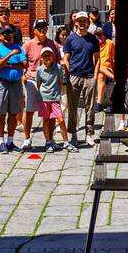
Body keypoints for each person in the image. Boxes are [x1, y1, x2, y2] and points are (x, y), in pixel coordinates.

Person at [62, 12, 101, 146]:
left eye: (84, 20)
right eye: (80, 21)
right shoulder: (70, 39)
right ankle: (73, 134)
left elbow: (97, 59)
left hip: (89, 76)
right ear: (76, 22)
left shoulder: (93, 39)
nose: (82, 23)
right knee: (72, 108)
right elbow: (66, 58)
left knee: (90, 108)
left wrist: (95, 77)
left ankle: (89, 134)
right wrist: (68, 73)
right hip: (74, 76)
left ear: (87, 22)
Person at [21, 19, 60, 149]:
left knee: (50, 113)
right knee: (29, 110)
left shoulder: (53, 44)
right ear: (34, 30)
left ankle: (50, 139)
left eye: (44, 27)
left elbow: (58, 62)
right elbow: (22, 64)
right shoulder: (27, 45)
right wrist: (23, 76)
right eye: (39, 28)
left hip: (49, 82)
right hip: (32, 81)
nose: (42, 30)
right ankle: (27, 139)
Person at [0, 25, 26, 153]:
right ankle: (1, 141)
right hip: (1, 83)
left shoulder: (19, 48)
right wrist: (10, 55)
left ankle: (10, 141)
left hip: (15, 83)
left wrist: (7, 64)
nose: (7, 36)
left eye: (9, 34)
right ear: (0, 36)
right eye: (5, 34)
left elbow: (24, 64)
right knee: (1, 113)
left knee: (13, 113)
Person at [35, 45, 73, 152]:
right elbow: (39, 84)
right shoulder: (39, 70)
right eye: (45, 56)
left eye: (49, 55)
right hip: (44, 98)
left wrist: (58, 94)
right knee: (46, 120)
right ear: (41, 58)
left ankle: (66, 142)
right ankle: (48, 142)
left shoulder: (58, 67)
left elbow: (60, 82)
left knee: (60, 119)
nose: (47, 57)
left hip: (55, 97)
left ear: (53, 56)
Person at [94, 23, 116, 112]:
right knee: (100, 72)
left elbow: (113, 58)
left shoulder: (110, 43)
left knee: (101, 75)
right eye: (97, 35)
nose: (99, 37)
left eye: (100, 35)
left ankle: (99, 104)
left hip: (107, 67)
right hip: (95, 66)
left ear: (104, 35)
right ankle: (114, 78)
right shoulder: (93, 44)